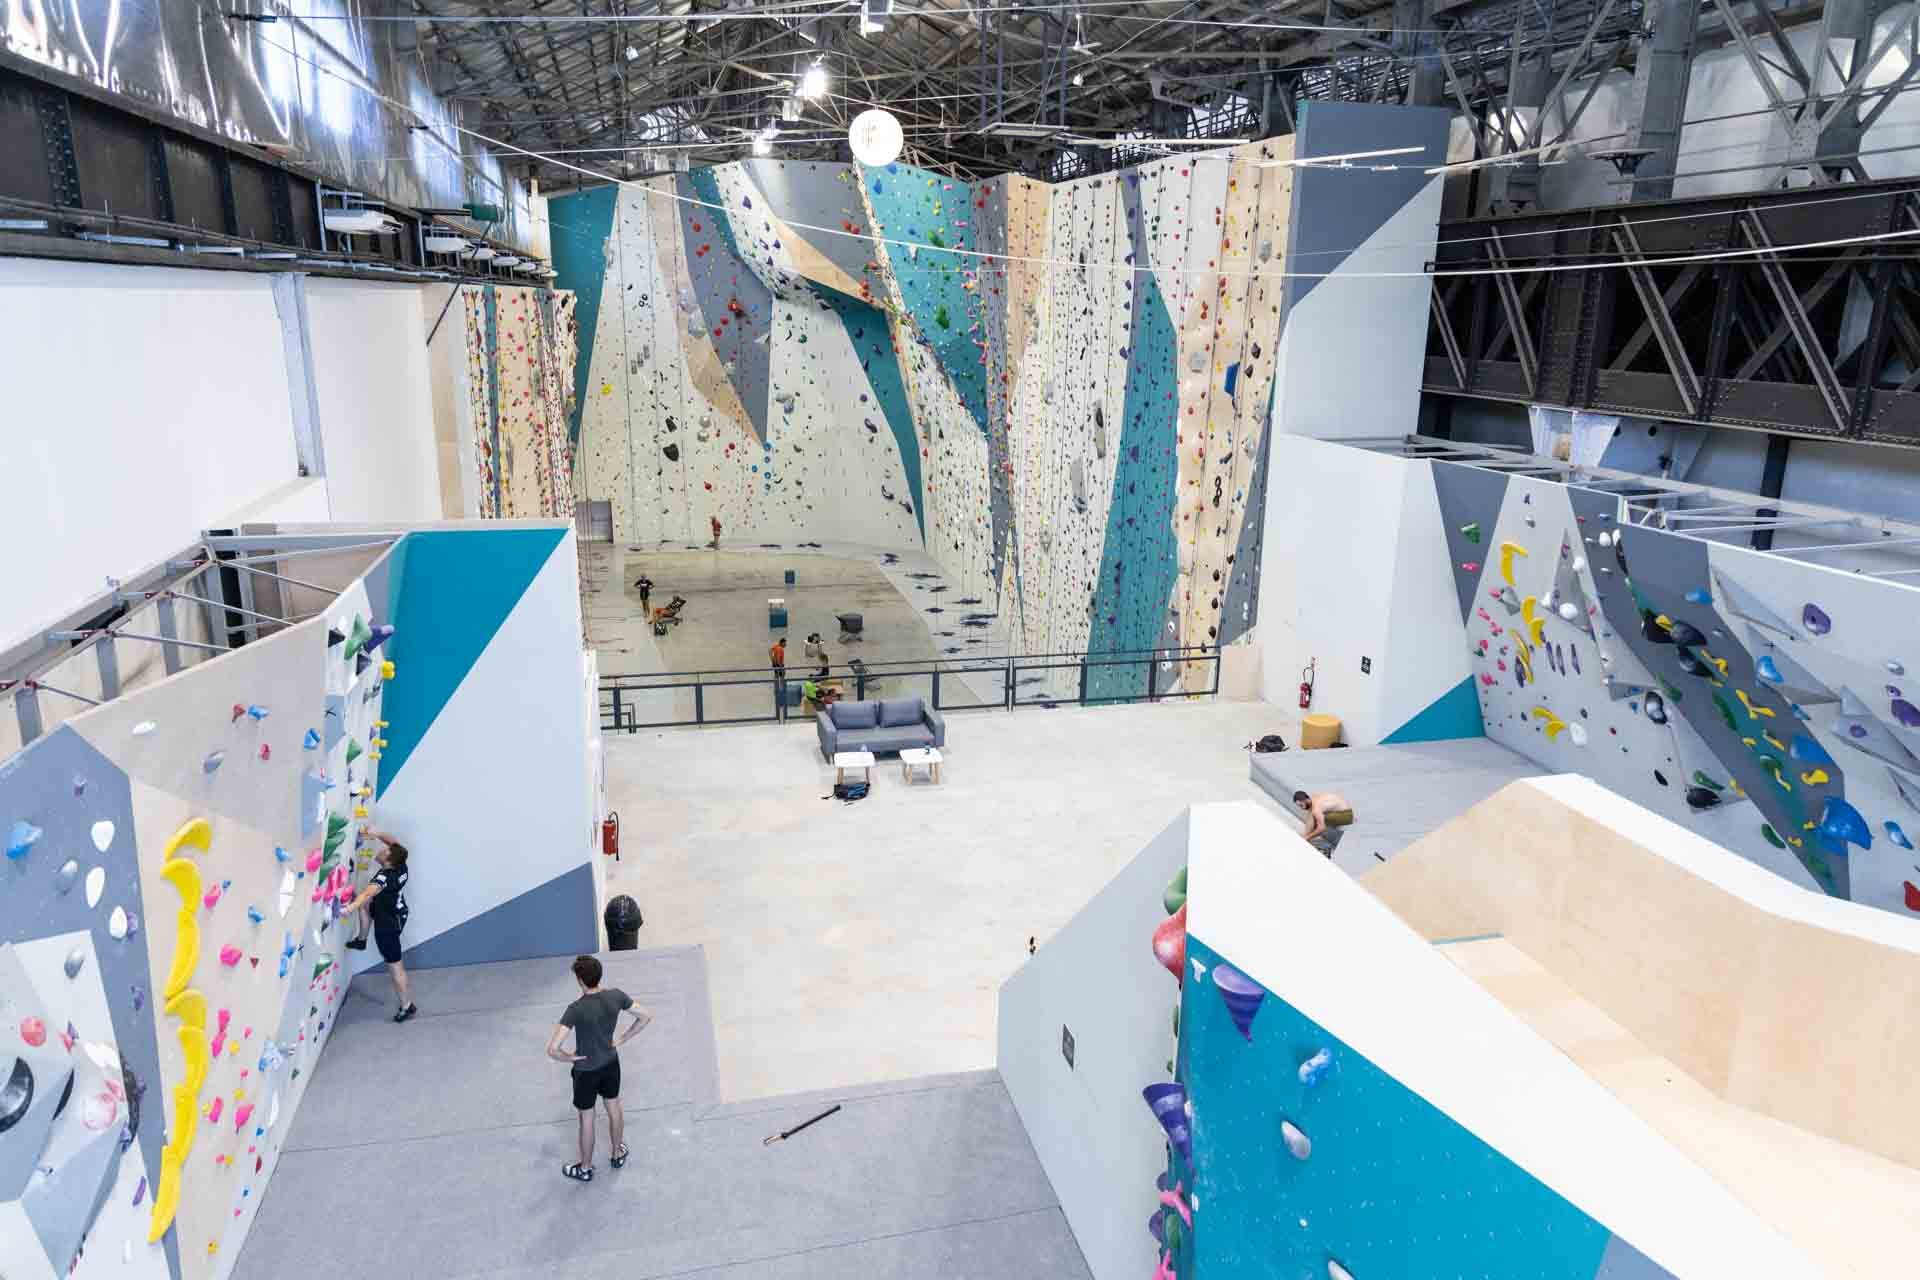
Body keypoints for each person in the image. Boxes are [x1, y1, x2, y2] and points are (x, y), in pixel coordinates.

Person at [545, 955, 652, 1183]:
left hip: (586, 1072)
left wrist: (570, 1057)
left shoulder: (575, 1009)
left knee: (587, 1118)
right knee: (613, 1106)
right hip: (611, 1063)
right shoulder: (616, 995)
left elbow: (553, 1049)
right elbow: (645, 1016)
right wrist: (622, 1039)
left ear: (580, 980)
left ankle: (585, 1168)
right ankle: (617, 1153)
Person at [343, 832, 417, 1022]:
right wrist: (375, 833)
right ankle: (361, 940)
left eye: (384, 852)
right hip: (395, 911)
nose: (381, 851)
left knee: (395, 967)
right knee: (367, 906)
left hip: (388, 926)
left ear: (389, 861)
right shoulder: (401, 864)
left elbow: (367, 894)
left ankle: (407, 1006)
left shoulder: (384, 877)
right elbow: (394, 842)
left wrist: (349, 908)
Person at [1293, 790, 1354, 861]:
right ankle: (1306, 837)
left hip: (1347, 816)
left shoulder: (1316, 808)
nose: (1301, 808)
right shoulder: (1313, 798)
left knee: (1316, 818)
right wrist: (1306, 834)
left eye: (1301, 805)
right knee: (1313, 815)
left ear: (1305, 800)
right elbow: (1310, 817)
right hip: (1345, 811)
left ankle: (1325, 849)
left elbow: (1322, 828)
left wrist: (1308, 837)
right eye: (1299, 806)